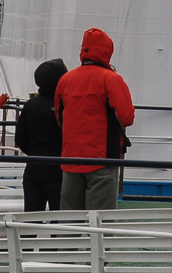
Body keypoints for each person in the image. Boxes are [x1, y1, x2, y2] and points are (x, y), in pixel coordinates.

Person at [55, 28, 135, 212]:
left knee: (69, 221)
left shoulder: (65, 80)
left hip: (71, 158)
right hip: (102, 160)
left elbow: (59, 117)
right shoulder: (111, 79)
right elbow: (127, 117)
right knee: (100, 220)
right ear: (108, 51)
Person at [16, 59, 68, 212]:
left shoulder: (30, 105)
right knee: (59, 218)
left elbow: (20, 137)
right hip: (60, 168)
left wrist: (34, 152)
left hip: (34, 167)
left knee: (31, 216)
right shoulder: (66, 105)